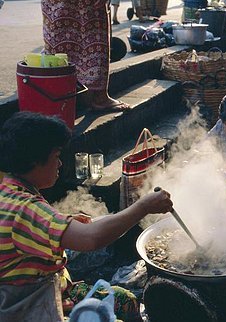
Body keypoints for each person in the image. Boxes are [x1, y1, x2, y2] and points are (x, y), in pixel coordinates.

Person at [0, 112, 173, 321]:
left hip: (57, 290)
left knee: (125, 300)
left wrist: (66, 221)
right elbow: (91, 238)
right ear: (35, 161)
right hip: (31, 309)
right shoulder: (25, 210)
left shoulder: (9, 189)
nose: (60, 164)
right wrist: (143, 206)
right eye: (56, 156)